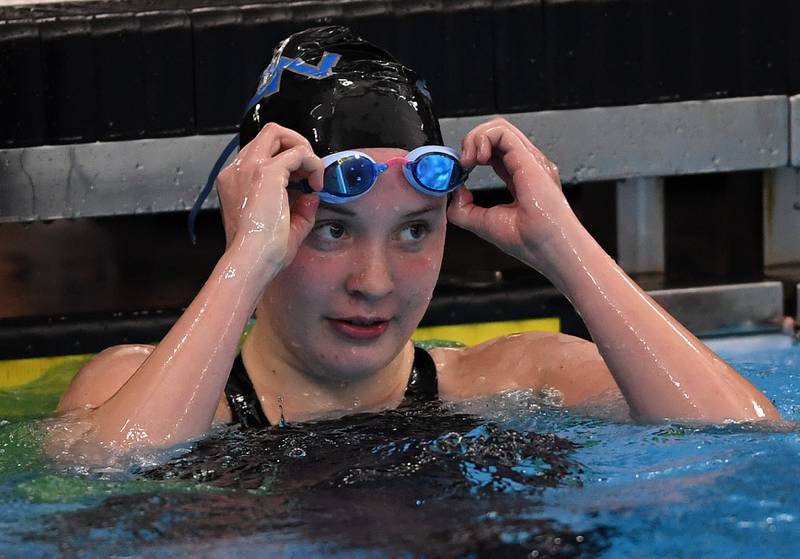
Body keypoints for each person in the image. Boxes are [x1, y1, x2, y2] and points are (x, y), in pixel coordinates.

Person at [53, 26, 779, 457]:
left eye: (413, 231)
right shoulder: (129, 385)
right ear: (261, 220)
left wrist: (566, 246)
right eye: (332, 229)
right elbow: (101, 479)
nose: (374, 281)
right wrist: (243, 260)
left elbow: (745, 442)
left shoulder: (519, 379)